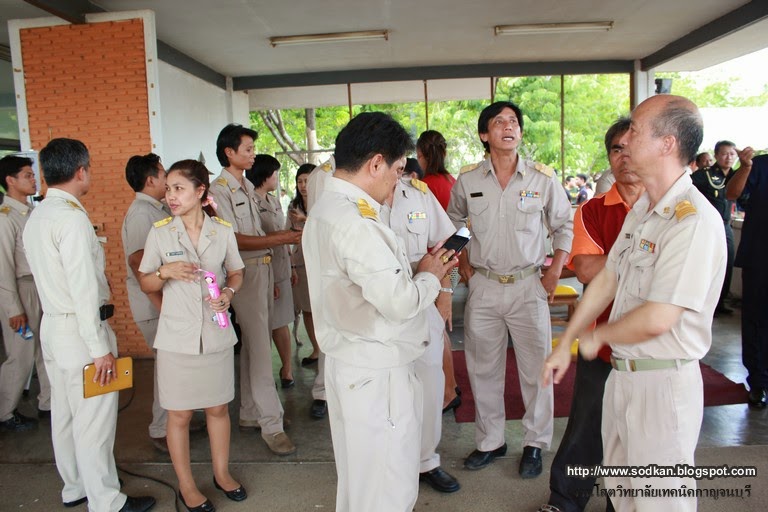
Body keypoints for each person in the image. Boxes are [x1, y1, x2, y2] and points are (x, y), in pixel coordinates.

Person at [543, 95, 726, 512]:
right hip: (624, 378)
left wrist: (596, 338)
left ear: (667, 143)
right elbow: (609, 278)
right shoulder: (643, 209)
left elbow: (660, 316)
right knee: (624, 495)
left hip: (661, 385)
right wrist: (568, 341)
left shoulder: (693, 221)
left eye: (636, 130)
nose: (625, 140)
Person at [302, 112, 457, 512]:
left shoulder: (326, 208)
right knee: (388, 489)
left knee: (362, 485)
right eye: (397, 170)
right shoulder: (356, 221)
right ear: (375, 164)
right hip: (377, 371)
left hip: (351, 362)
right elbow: (399, 302)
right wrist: (430, 276)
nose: (397, 181)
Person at [23, 138, 155, 512]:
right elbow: (83, 289)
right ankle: (106, 500)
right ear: (81, 171)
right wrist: (99, 349)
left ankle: (76, 486)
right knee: (94, 420)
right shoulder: (71, 218)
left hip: (55, 327)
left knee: (65, 415)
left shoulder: (38, 215)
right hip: (82, 332)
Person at [447, 101, 573, 478]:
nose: (508, 127)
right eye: (499, 122)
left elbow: (564, 226)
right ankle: (491, 441)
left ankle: (535, 442)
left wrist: (554, 272)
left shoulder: (541, 178)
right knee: (482, 367)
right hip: (484, 285)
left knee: (536, 369)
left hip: (528, 284)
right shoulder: (468, 180)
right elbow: (454, 222)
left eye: (514, 122)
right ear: (484, 134)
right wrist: (463, 262)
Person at [538, 117, 643, 512]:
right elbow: (584, 269)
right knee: (587, 428)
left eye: (631, 148)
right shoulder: (593, 210)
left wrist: (612, 261)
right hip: (601, 344)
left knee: (639, 435)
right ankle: (565, 499)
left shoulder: (667, 206)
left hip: (653, 346)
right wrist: (644, 259)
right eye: (616, 149)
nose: (625, 157)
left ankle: (623, 504)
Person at [138, 159, 245, 512]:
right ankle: (187, 485)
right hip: (177, 339)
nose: (170, 195)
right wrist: (164, 272)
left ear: (200, 191)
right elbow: (145, 282)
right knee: (180, 415)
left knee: (218, 408)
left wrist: (228, 293)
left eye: (178, 188)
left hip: (216, 334)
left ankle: (222, 474)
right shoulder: (160, 233)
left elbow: (236, 272)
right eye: (168, 188)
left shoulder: (222, 231)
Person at [209, 124, 301, 455]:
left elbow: (260, 232)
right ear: (229, 152)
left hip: (262, 269)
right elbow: (232, 239)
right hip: (242, 274)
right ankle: (272, 424)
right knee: (262, 349)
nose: (252, 154)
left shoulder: (247, 186)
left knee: (253, 345)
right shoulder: (219, 191)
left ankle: (250, 412)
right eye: (247, 149)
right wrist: (282, 238)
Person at [382, 167, 460, 494]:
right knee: (385, 389)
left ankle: (426, 460)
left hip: (424, 297)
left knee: (430, 380)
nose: (399, 165)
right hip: (380, 305)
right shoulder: (359, 199)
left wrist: (446, 293)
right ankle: (391, 464)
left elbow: (450, 244)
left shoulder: (418, 195)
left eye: (402, 157)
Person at [121, 153, 170, 453]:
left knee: (172, 366)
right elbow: (139, 260)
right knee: (166, 367)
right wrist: (163, 303)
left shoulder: (156, 208)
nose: (168, 180)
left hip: (161, 302)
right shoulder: (142, 212)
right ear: (150, 180)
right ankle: (161, 429)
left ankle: (174, 420)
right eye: (164, 175)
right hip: (153, 306)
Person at [0, 155, 50, 432]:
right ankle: (5, 412)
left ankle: (48, 402)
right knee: (20, 353)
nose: (33, 180)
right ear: (10, 180)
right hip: (20, 289)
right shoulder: (5, 218)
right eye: (27, 175)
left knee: (46, 348)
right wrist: (13, 308)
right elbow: (3, 268)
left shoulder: (31, 212)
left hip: (39, 286)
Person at [415, 129, 462, 414]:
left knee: (437, 326)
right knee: (440, 325)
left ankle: (448, 389)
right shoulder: (451, 181)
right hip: (453, 262)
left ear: (421, 155)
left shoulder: (424, 187)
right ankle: (450, 385)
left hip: (438, 266)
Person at [245, 154, 297, 388]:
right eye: (275, 173)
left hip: (282, 266)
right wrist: (272, 280)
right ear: (265, 175)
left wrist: (291, 265)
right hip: (265, 269)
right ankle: (265, 375)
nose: (277, 177)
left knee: (282, 321)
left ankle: (287, 369)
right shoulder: (252, 202)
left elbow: (283, 236)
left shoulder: (274, 201)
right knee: (267, 326)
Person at [726, 148, 768, 408]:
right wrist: (745, 168)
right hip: (760, 257)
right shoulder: (758, 166)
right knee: (757, 321)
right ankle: (759, 382)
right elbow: (732, 194)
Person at [691, 140, 739, 316]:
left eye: (732, 154)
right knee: (705, 265)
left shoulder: (737, 176)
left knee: (727, 264)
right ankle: (701, 303)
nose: (728, 158)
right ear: (717, 155)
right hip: (706, 227)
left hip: (726, 226)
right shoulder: (705, 175)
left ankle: (719, 303)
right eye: (724, 154)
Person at [287, 164, 321, 369]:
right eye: (299, 181)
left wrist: (305, 219)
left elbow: (326, 228)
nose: (303, 185)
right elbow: (287, 235)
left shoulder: (324, 202)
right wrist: (291, 266)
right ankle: (316, 349)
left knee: (323, 308)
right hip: (301, 263)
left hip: (322, 262)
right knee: (307, 309)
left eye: (307, 181)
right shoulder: (294, 206)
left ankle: (327, 350)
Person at [417, 130, 456, 210]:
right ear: (444, 154)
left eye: (418, 156)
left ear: (421, 156)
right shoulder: (454, 182)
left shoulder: (422, 186)